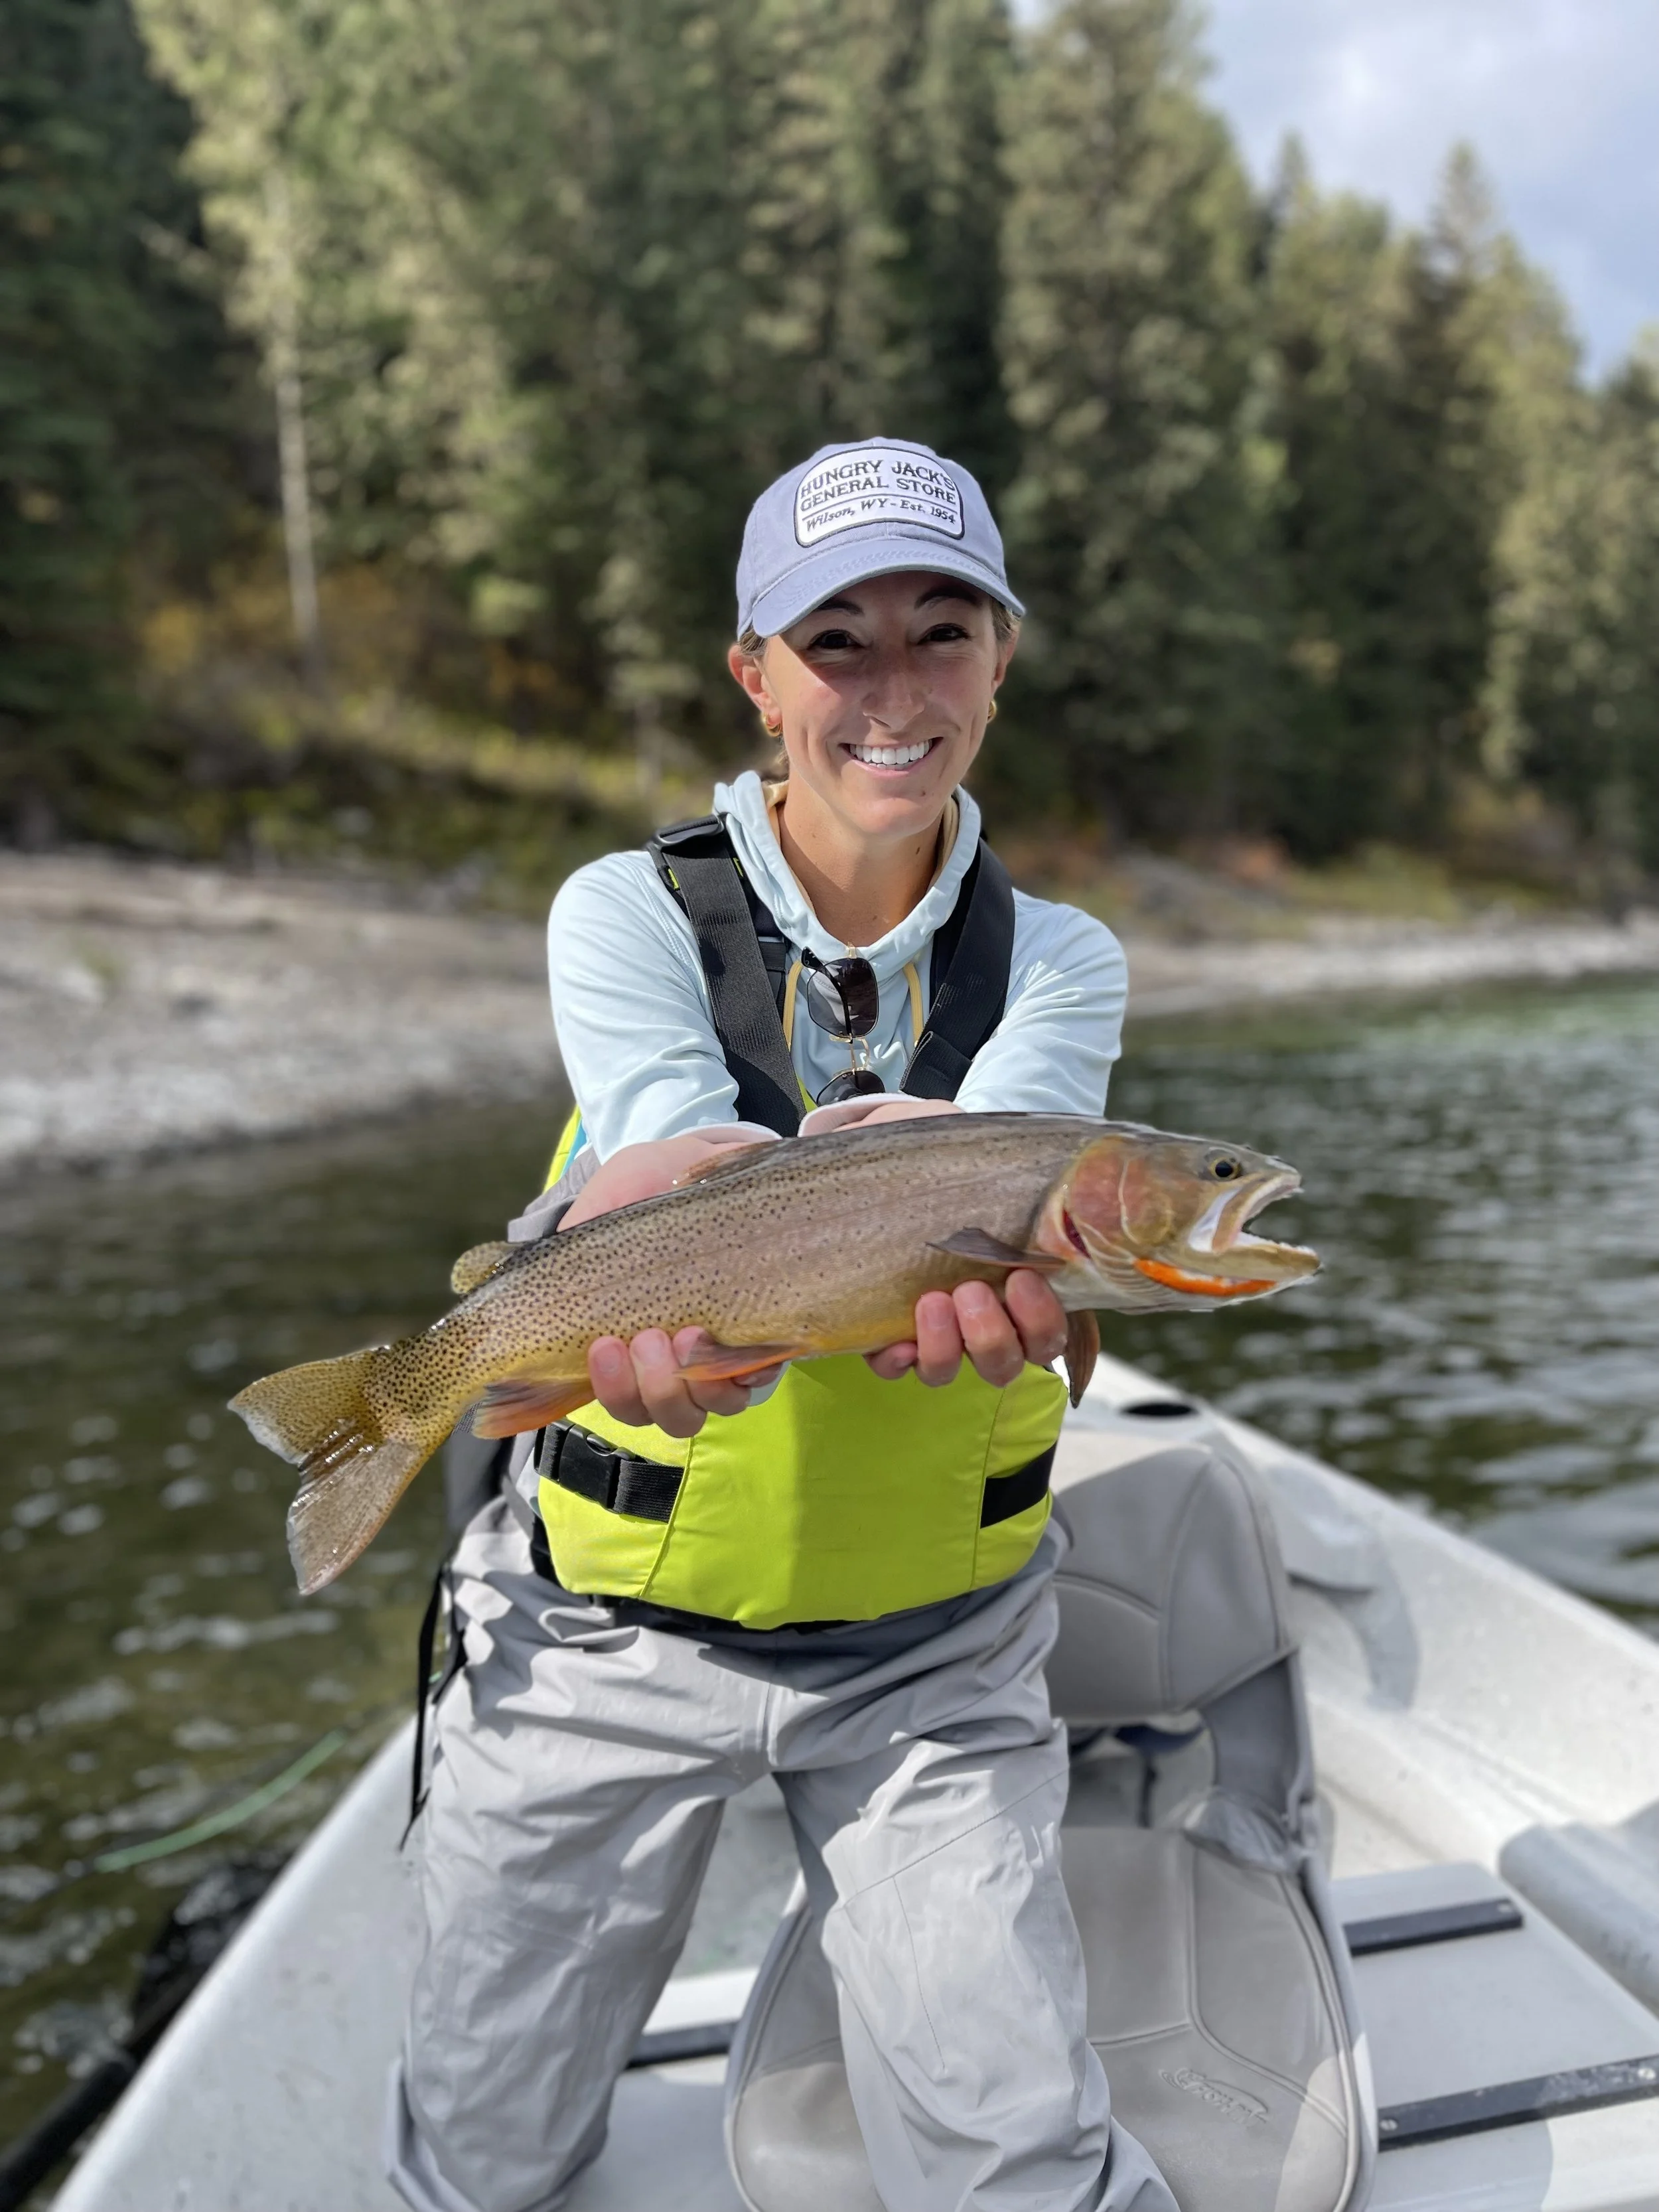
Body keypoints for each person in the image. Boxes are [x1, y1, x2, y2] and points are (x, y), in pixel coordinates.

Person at [387, 439, 1177, 2212]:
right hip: (599, 1639)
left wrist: (987, 1229)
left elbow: (1033, 1177)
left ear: (1001, 654)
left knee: (1017, 2164)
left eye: (940, 630)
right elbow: (665, 1134)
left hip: (936, 1657)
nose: (894, 691)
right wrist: (634, 1275)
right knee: (479, 2160)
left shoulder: (1058, 961)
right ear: (755, 675)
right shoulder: (624, 911)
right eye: (839, 640)